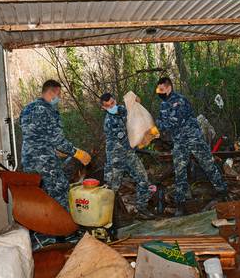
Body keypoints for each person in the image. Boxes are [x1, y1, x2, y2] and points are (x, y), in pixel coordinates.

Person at [155, 77, 228, 216]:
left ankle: (223, 192)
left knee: (208, 165)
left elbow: (172, 122)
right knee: (180, 171)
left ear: (169, 87)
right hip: (179, 142)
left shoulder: (180, 101)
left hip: (193, 138)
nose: (160, 92)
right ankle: (180, 205)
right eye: (158, 90)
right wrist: (158, 125)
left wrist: (158, 127)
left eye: (162, 89)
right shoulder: (163, 105)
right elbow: (161, 119)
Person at [20, 79, 91, 212]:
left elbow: (34, 135)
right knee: (61, 191)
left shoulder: (27, 109)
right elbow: (58, 141)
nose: (60, 97)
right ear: (52, 92)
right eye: (59, 94)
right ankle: (66, 231)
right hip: (44, 161)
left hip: (28, 161)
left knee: (40, 197)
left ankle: (42, 231)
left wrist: (55, 149)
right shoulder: (47, 110)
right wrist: (77, 153)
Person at [100, 92, 156, 220]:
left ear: (115, 100)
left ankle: (141, 209)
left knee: (143, 178)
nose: (111, 106)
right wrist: (141, 140)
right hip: (115, 158)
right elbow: (127, 139)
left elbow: (134, 110)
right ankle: (106, 218)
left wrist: (136, 100)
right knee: (112, 188)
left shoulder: (121, 109)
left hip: (128, 154)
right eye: (107, 106)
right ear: (103, 108)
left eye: (112, 103)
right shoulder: (109, 122)